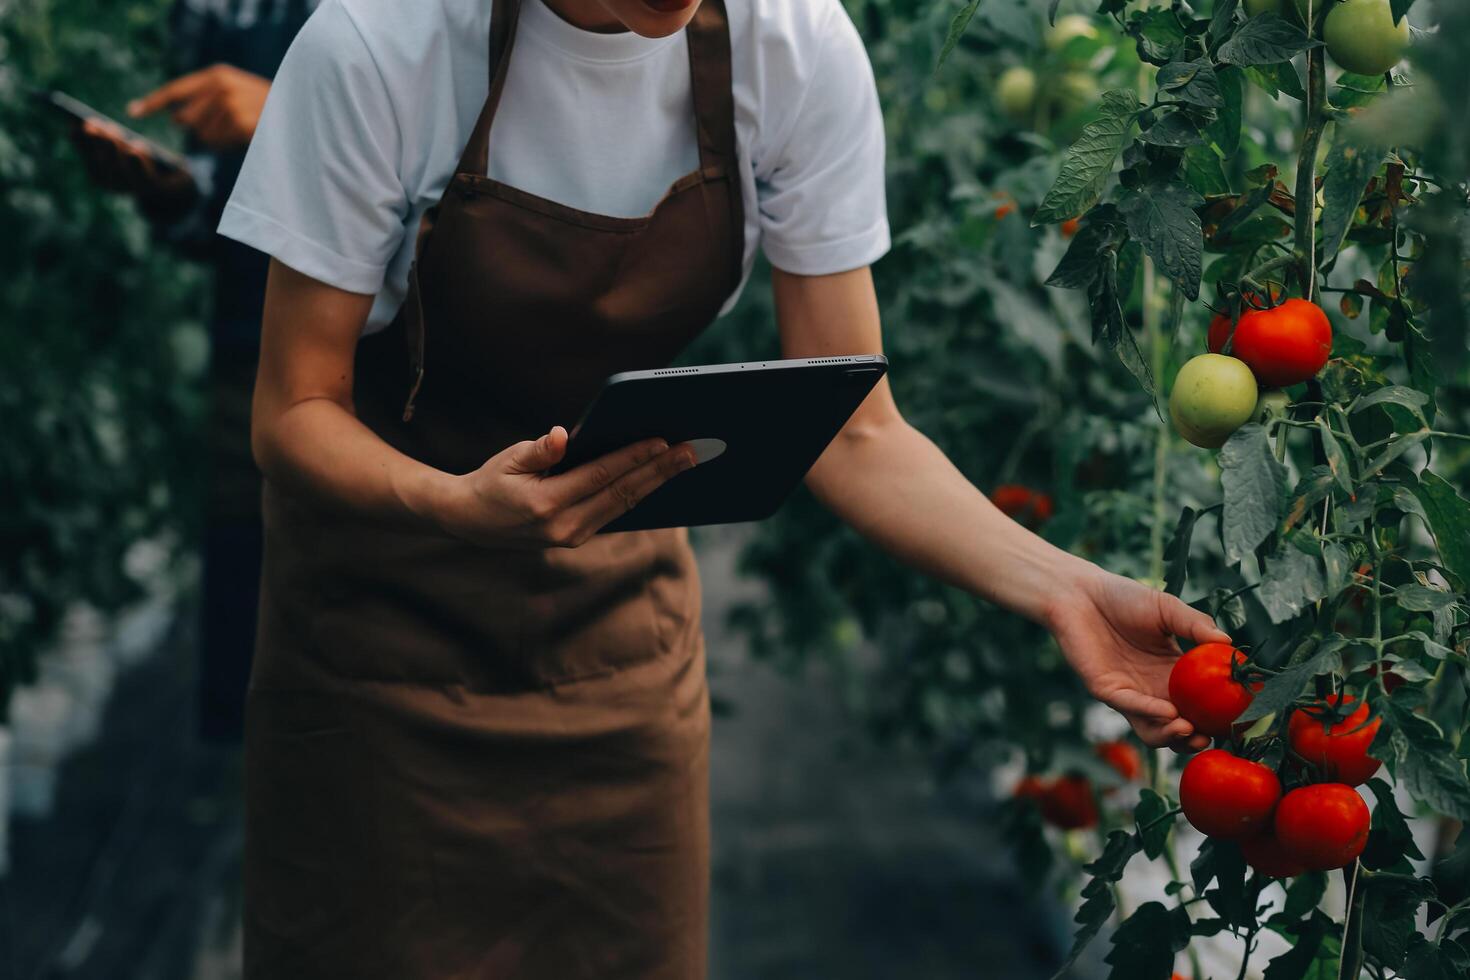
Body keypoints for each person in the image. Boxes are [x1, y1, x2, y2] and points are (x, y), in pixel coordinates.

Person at [218, 0, 1228, 976]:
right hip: (378, 654)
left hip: (616, 649)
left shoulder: (788, 45)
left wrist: (1060, 587)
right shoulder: (377, 44)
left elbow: (856, 428)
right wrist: (449, 504)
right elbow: (296, 409)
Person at [69, 0, 318, 741]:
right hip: (252, 348)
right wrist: (171, 190)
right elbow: (218, 204)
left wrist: (288, 117)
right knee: (259, 641)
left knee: (372, 640)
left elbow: (460, 179)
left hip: (394, 366)